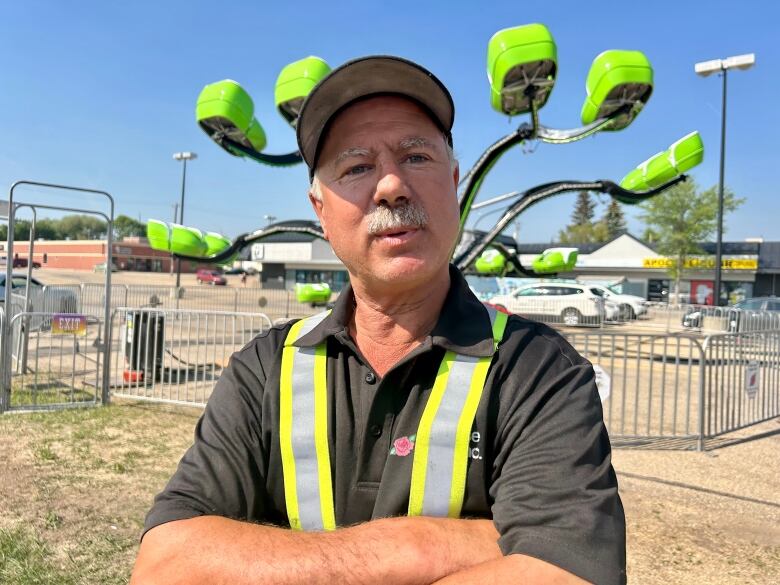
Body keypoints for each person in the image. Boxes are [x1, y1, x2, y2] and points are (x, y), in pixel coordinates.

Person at [131, 56, 626, 585]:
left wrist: (271, 561)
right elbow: (168, 564)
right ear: (321, 211)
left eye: (415, 156)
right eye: (357, 167)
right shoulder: (266, 368)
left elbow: (568, 573)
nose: (391, 185)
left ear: (454, 183)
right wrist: (426, 546)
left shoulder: (540, 372)